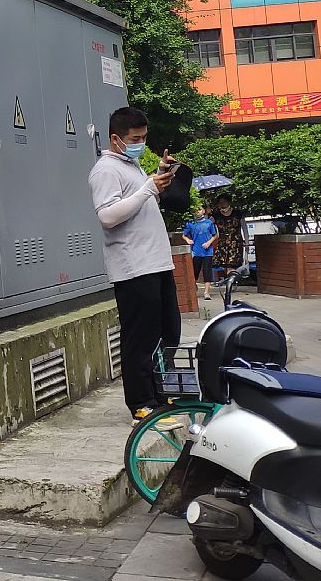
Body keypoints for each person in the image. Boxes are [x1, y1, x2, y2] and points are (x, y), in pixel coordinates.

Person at [88, 107, 182, 427]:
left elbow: (138, 203)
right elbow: (108, 216)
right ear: (116, 138)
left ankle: (161, 395)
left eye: (144, 137)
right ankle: (142, 405)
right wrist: (148, 188)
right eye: (135, 138)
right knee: (141, 338)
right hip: (133, 267)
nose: (140, 143)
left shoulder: (132, 166)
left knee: (167, 332)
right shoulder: (105, 170)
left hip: (156, 263)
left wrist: (158, 175)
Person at [183, 207, 219, 300]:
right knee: (195, 271)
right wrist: (188, 240)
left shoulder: (209, 223)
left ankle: (206, 292)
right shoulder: (190, 223)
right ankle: (193, 288)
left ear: (203, 211)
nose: (197, 212)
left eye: (199, 209)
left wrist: (209, 243)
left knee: (207, 272)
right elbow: (184, 235)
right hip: (196, 251)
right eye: (195, 210)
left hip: (207, 252)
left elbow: (215, 235)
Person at [212, 194, 247, 280]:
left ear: (229, 202)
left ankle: (230, 281)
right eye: (220, 202)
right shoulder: (216, 214)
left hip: (235, 243)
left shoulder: (237, 213)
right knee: (225, 265)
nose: (222, 204)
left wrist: (247, 241)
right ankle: (230, 281)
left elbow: (244, 228)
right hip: (223, 244)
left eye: (224, 202)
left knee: (232, 265)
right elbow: (208, 224)